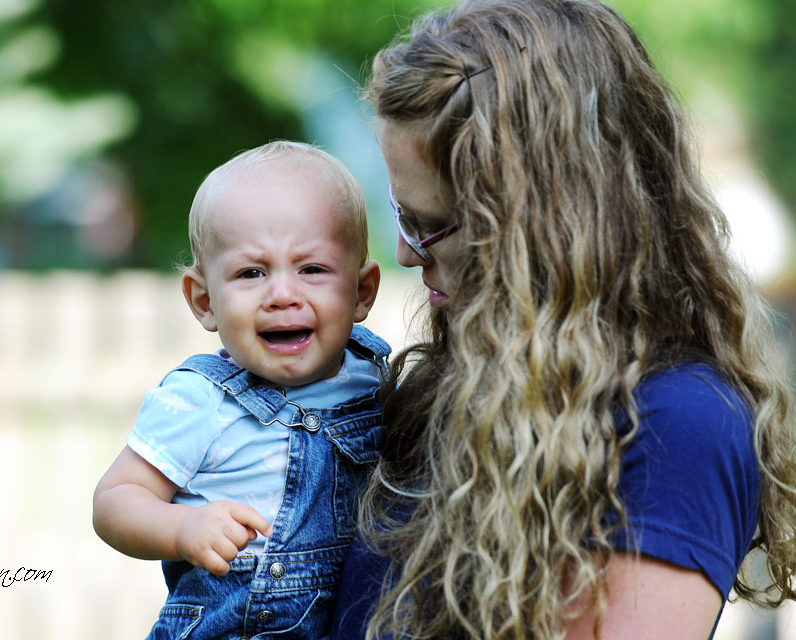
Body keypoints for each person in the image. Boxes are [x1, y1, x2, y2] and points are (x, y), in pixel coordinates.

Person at [330, 0, 796, 638]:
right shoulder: (441, 388)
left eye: (431, 224)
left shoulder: (676, 425)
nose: (406, 251)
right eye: (400, 213)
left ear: (539, 227)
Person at [93, 141, 389, 639]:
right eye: (252, 273)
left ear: (361, 292)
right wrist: (183, 530)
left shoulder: (372, 379)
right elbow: (114, 500)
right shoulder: (201, 401)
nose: (282, 295)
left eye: (311, 269)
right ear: (205, 301)